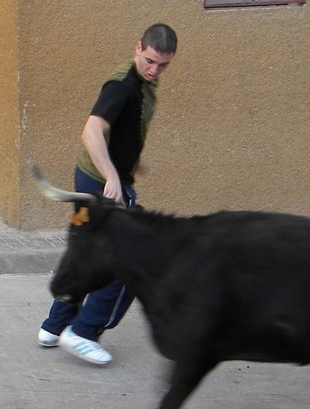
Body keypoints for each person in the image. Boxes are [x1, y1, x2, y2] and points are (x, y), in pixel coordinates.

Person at [37, 23, 178, 365]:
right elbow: (91, 131)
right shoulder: (123, 84)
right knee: (127, 261)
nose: (154, 70)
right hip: (101, 189)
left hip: (87, 183)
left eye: (163, 65)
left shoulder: (141, 83)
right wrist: (113, 176)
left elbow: (121, 128)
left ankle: (54, 327)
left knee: (84, 252)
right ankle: (84, 332)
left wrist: (132, 160)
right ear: (137, 48)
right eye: (149, 61)